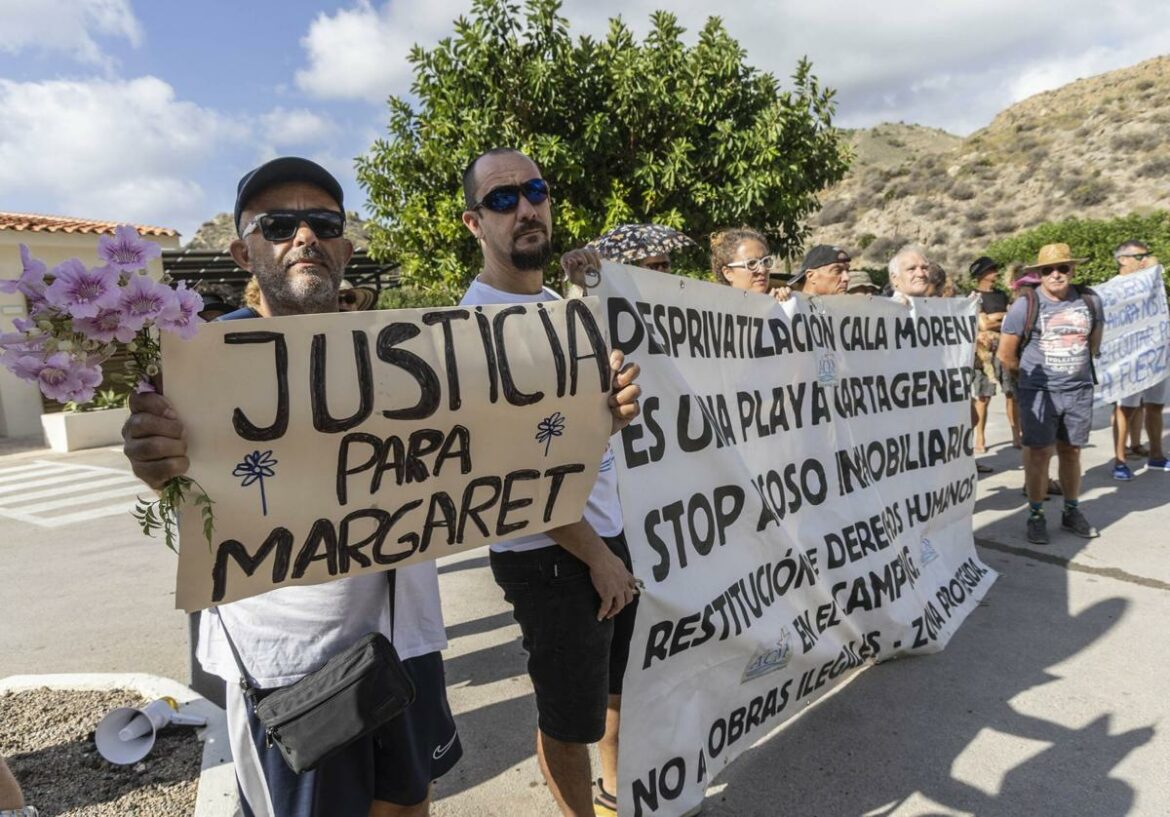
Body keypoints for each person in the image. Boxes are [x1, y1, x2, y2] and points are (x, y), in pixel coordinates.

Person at [122, 157, 463, 817]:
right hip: (288, 668)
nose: (303, 235)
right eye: (278, 224)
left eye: (322, 222)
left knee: (408, 806)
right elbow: (160, 456)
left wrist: (596, 409)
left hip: (405, 638)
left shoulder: (399, 354)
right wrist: (151, 454)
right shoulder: (202, 359)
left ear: (345, 247)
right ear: (243, 251)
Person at [457, 147, 643, 817]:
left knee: (615, 687)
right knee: (570, 718)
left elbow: (573, 443)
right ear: (475, 223)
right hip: (554, 558)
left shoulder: (566, 313)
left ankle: (616, 790)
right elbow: (510, 475)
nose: (525, 208)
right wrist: (597, 558)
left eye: (534, 191)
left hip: (608, 540)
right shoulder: (471, 330)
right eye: (502, 199)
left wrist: (613, 419)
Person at [998, 243, 1104, 545]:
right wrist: (1030, 382)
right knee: (1039, 454)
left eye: (1062, 268)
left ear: (1073, 269)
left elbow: (1094, 344)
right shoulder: (1025, 305)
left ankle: (1071, 510)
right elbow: (1006, 354)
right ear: (1038, 274)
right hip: (1039, 394)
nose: (1056, 275)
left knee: (1071, 451)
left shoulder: (1090, 300)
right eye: (1048, 270)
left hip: (1078, 391)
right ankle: (1036, 515)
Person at [1107, 240, 1168, 477]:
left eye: (1146, 256)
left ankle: (1156, 455)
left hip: (1156, 353)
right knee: (1126, 409)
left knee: (1155, 406)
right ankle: (1120, 460)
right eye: (1139, 256)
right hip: (1128, 357)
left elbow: (1156, 267)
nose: (1144, 260)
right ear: (1122, 259)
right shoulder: (1113, 287)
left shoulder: (1152, 281)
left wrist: (1147, 260)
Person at [969, 256, 1007, 454]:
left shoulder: (1002, 295)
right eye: (992, 269)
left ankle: (1017, 434)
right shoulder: (974, 296)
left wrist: (995, 318)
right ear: (982, 274)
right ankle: (980, 437)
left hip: (1004, 346)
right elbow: (983, 324)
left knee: (1012, 393)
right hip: (984, 351)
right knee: (984, 395)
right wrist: (1001, 317)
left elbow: (1010, 317)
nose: (996, 272)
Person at [711, 228, 775, 293]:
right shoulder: (712, 302)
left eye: (765, 261)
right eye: (751, 263)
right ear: (728, 273)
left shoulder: (779, 301)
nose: (762, 270)